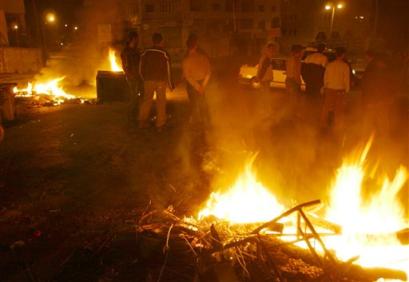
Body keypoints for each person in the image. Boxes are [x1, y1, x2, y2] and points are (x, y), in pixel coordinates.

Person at [138, 33, 174, 130]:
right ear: (161, 41)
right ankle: (160, 124)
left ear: (152, 41)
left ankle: (142, 122)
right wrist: (171, 84)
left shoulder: (145, 52)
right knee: (161, 102)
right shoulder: (164, 54)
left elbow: (140, 68)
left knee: (147, 101)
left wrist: (144, 79)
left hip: (148, 81)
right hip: (160, 82)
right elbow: (168, 71)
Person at [182, 34, 211, 127]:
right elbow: (208, 73)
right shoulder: (204, 57)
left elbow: (187, 76)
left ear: (187, 47)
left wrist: (197, 87)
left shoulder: (186, 60)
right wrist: (203, 86)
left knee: (194, 103)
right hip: (203, 83)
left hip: (192, 85)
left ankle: (196, 122)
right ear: (196, 46)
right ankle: (206, 122)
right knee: (203, 102)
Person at [321, 47, 350, 129]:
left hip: (329, 89)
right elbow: (346, 79)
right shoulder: (345, 66)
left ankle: (323, 124)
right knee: (339, 109)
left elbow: (325, 77)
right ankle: (338, 126)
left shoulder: (329, 65)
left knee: (326, 107)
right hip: (339, 90)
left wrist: (325, 87)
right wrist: (347, 91)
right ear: (343, 55)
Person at [121, 31, 142, 124]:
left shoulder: (135, 50)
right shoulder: (126, 52)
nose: (138, 40)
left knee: (136, 95)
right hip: (132, 76)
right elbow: (125, 65)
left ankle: (134, 114)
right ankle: (131, 115)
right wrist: (129, 74)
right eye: (136, 38)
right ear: (133, 39)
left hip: (137, 75)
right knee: (134, 96)